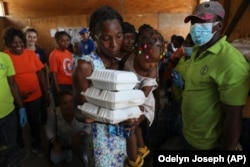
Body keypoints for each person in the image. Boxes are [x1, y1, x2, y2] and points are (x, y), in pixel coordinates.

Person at [73, 6, 137, 167]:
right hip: (101, 138)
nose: (114, 44)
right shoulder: (86, 66)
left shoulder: (125, 62)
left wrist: (135, 118)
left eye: (119, 36)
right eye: (106, 38)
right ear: (94, 36)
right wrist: (87, 116)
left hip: (126, 135)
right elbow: (77, 110)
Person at [181, 1, 250, 150]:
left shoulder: (230, 61)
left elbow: (234, 116)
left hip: (209, 145)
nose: (196, 27)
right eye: (194, 21)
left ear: (219, 26)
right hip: (189, 134)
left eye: (203, 21)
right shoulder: (197, 51)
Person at [3, 27, 49, 156]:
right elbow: (7, 80)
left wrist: (46, 92)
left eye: (20, 41)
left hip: (35, 96)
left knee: (35, 122)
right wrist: (17, 93)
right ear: (7, 43)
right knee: (16, 125)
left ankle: (37, 145)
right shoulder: (5, 56)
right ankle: (20, 146)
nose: (18, 45)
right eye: (14, 42)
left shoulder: (30, 54)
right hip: (15, 99)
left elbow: (40, 72)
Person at [123, 28, 165, 166]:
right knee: (137, 127)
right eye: (149, 61)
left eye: (155, 61)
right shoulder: (129, 60)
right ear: (137, 52)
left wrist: (136, 107)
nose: (152, 65)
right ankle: (142, 148)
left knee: (132, 126)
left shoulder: (152, 69)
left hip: (144, 102)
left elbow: (144, 93)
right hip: (130, 98)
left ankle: (134, 159)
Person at [45, 90, 90, 165]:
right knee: (55, 159)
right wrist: (54, 143)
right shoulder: (54, 113)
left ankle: (83, 154)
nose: (70, 105)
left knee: (87, 143)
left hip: (80, 139)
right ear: (59, 106)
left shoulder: (81, 110)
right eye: (65, 103)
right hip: (63, 140)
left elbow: (90, 126)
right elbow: (49, 129)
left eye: (72, 101)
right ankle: (68, 152)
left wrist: (80, 134)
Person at [0, 51, 27, 146]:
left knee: (11, 143)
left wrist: (21, 107)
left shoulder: (4, 57)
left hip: (9, 112)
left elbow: (12, 84)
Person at [23, 27, 49, 125]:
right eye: (29, 37)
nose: (32, 39)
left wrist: (47, 84)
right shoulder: (21, 51)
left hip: (41, 82)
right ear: (25, 37)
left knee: (43, 104)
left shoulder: (40, 51)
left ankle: (44, 123)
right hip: (29, 84)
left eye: (34, 37)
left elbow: (45, 68)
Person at [49, 31, 73, 106]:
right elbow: (53, 73)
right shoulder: (54, 54)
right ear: (57, 41)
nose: (65, 43)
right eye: (62, 41)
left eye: (67, 40)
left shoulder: (68, 53)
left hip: (70, 83)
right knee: (62, 106)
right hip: (61, 85)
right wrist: (58, 89)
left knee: (70, 105)